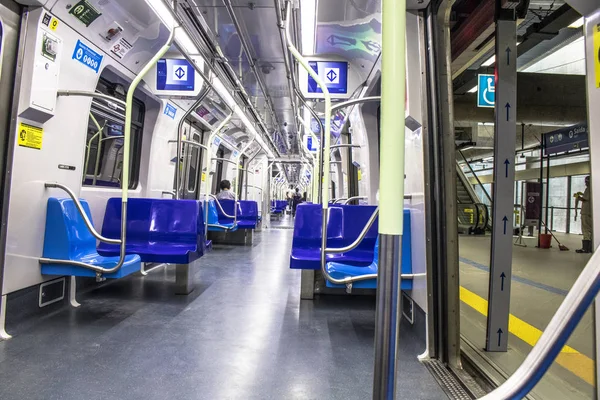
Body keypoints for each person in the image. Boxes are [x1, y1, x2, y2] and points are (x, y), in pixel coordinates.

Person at [575, 176, 593, 253]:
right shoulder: (595, 189)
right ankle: (590, 248)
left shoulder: (589, 189)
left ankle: (585, 248)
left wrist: (578, 197)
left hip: (586, 212)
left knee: (585, 229)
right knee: (591, 230)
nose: (585, 183)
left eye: (586, 182)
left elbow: (585, 199)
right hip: (591, 213)